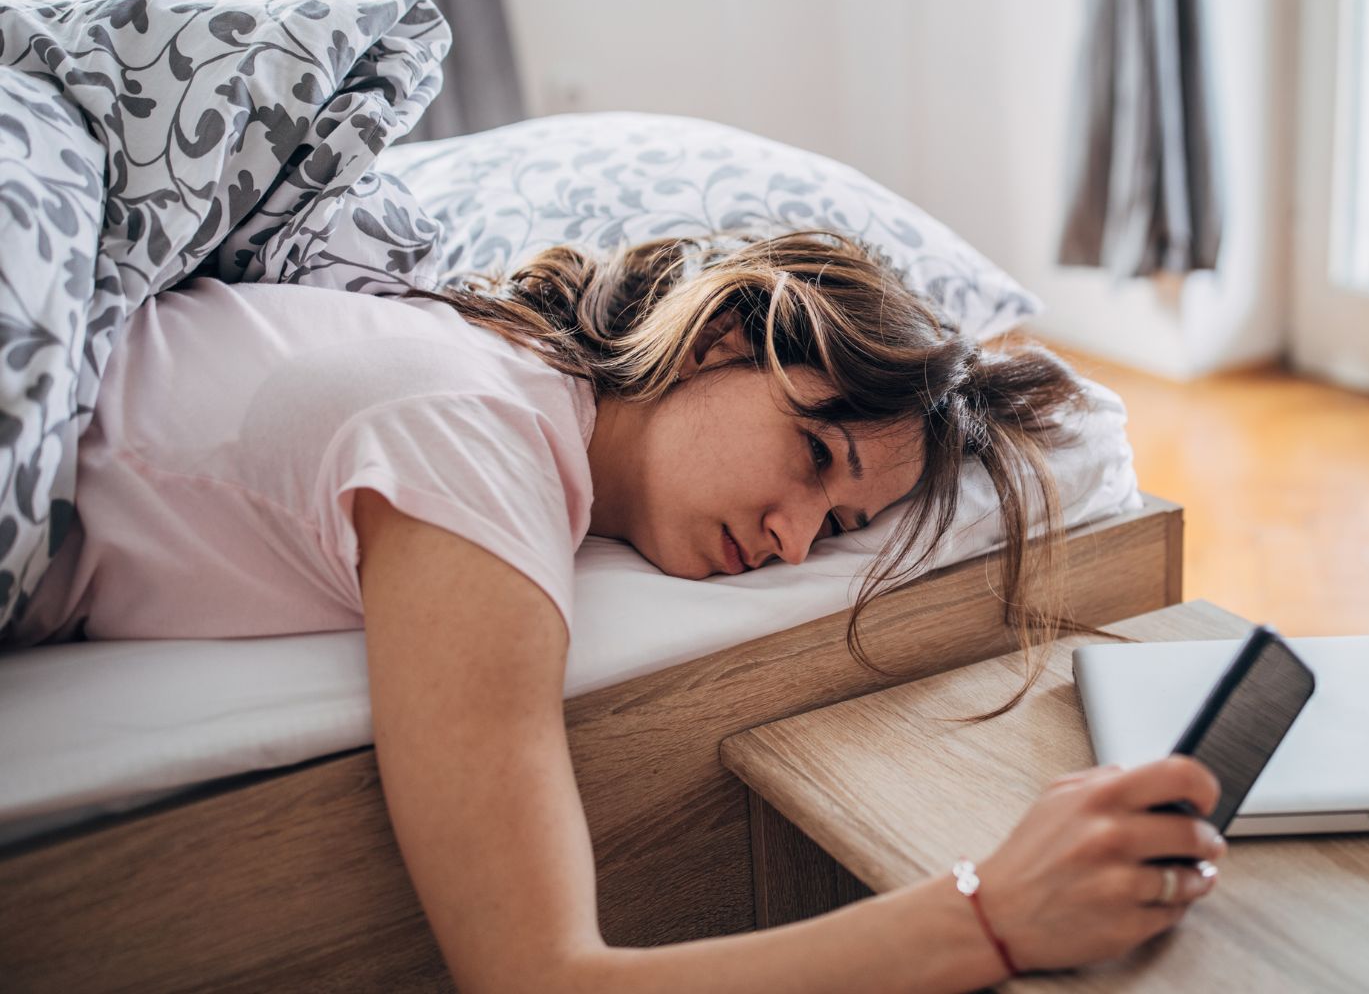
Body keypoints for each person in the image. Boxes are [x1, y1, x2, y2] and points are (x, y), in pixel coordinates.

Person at [9, 231, 1225, 990]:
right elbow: (541, 977)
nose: (793, 541)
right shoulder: (474, 436)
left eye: (841, 530)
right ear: (720, 341)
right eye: (813, 460)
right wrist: (993, 919)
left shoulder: (495, 384)